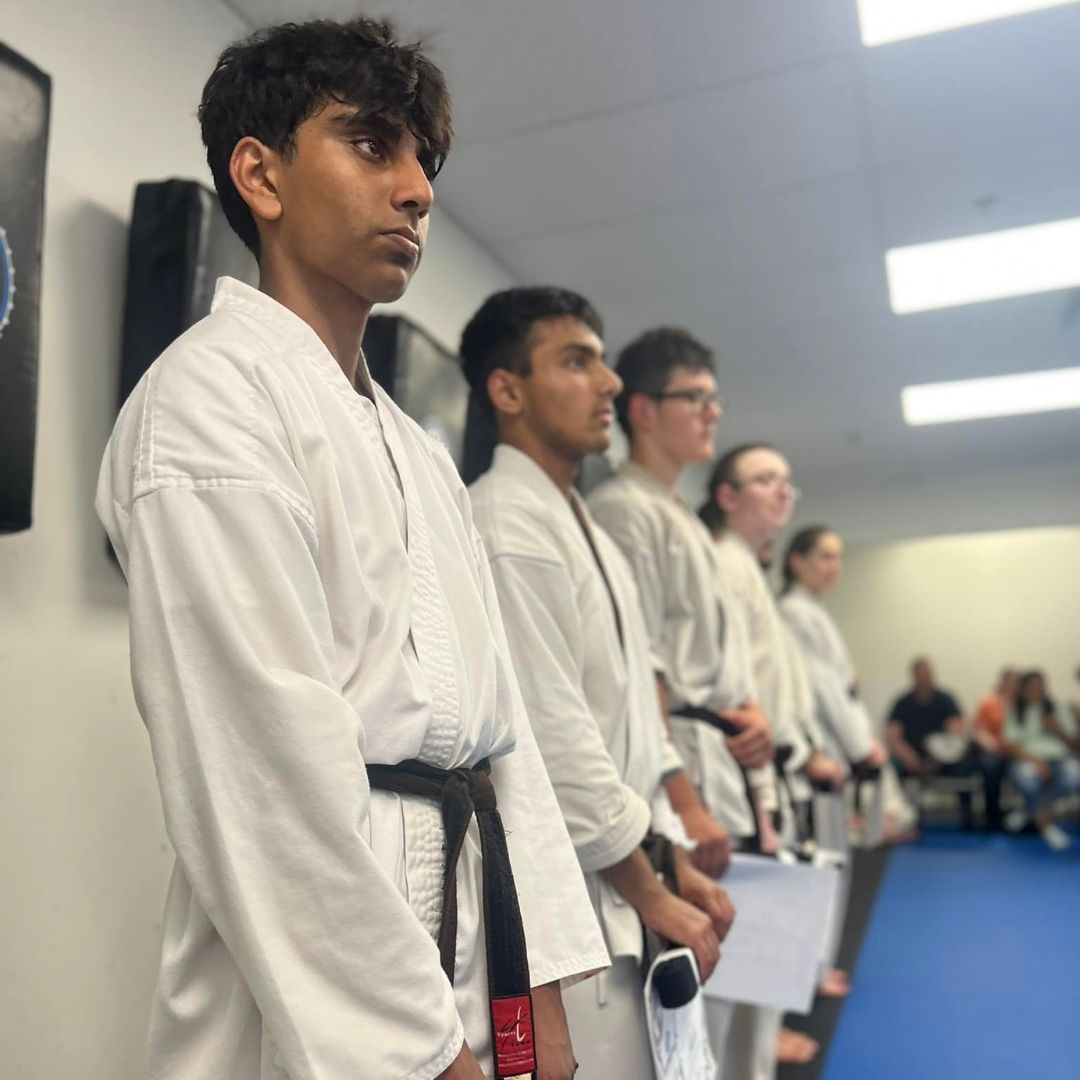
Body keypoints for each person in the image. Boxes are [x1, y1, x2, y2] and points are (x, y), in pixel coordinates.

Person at [96, 20, 608, 1080]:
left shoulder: (419, 455)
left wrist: (540, 998)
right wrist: (427, 1058)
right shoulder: (205, 408)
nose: (418, 188)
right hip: (321, 970)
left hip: (472, 906)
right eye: (374, 145)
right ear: (261, 175)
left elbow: (504, 745)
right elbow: (262, 782)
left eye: (425, 159)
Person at [462, 287, 736, 1078]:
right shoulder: (506, 521)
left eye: (603, 361)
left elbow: (634, 731)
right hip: (570, 896)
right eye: (577, 362)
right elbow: (555, 738)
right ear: (507, 391)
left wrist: (670, 858)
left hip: (626, 871)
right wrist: (650, 889)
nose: (610, 383)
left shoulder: (581, 529)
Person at [588, 328, 805, 1079]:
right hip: (681, 786)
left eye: (716, 399)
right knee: (696, 1005)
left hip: (722, 771)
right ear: (643, 409)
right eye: (696, 398)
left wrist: (756, 724)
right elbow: (637, 669)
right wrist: (684, 801)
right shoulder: (624, 511)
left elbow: (720, 669)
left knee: (742, 991)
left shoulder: (683, 520)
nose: (713, 413)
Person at [699, 447, 849, 1003]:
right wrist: (764, 793)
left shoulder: (749, 569)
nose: (783, 490)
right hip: (747, 768)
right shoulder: (724, 564)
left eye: (787, 481)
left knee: (770, 922)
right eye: (765, 480)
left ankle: (770, 1029)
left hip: (774, 765)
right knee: (746, 934)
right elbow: (738, 692)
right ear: (727, 496)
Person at [779, 527, 918, 844]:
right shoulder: (794, 612)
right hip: (823, 737)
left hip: (837, 736)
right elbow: (824, 689)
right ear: (796, 561)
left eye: (838, 558)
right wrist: (862, 746)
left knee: (847, 840)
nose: (834, 567)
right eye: (825, 557)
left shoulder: (813, 611)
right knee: (834, 842)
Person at [886, 658, 982, 829]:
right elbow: (893, 737)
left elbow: (956, 733)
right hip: (912, 758)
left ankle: (968, 819)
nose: (924, 678)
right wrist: (911, 759)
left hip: (942, 758)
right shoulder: (902, 703)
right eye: (920, 674)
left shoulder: (945, 700)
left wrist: (938, 758)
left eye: (927, 674)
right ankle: (901, 817)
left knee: (965, 765)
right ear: (913, 676)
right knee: (893, 766)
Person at [1002, 670, 1080, 851]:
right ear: (1024, 689)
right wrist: (1035, 761)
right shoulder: (1016, 712)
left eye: (1041, 685)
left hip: (1059, 758)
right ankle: (1048, 829)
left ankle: (1028, 812)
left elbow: (1074, 742)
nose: (1037, 689)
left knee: (1075, 775)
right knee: (1027, 778)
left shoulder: (1058, 708)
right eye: (1032, 686)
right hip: (1028, 759)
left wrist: (1056, 727)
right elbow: (1009, 745)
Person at [972, 668, 1021, 831]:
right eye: (1011, 682)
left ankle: (1029, 816)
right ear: (1003, 682)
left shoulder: (1025, 705)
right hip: (995, 752)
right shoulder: (989, 702)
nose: (1014, 686)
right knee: (990, 766)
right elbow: (978, 730)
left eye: (1018, 682)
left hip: (1019, 753)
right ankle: (992, 815)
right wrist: (993, 747)